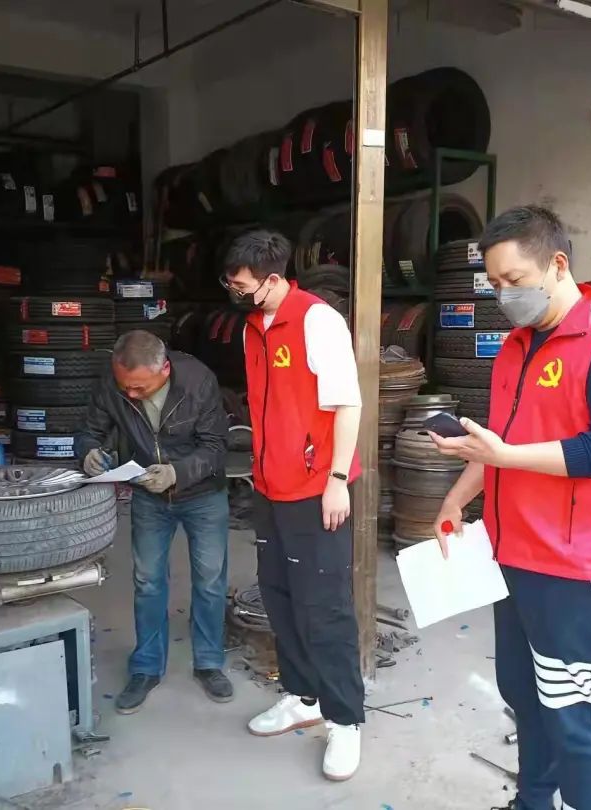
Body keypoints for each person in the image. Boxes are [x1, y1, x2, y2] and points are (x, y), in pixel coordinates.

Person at [429, 206, 591, 810]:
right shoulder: (515, 347)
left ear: (557, 264)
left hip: (573, 567)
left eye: (515, 280)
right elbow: (499, 442)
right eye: (495, 283)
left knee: (570, 711)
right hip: (511, 555)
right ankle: (532, 802)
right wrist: (456, 497)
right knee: (524, 696)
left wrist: (506, 455)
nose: (505, 295)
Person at [221, 230, 365, 782]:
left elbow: (347, 404)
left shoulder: (317, 321)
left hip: (316, 490)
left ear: (274, 280)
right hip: (270, 487)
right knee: (280, 598)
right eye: (231, 285)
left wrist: (337, 480)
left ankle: (345, 721)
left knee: (324, 607)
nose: (236, 294)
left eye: (242, 286)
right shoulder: (252, 328)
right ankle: (303, 698)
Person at [77, 330, 232, 713]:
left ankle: (209, 663)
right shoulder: (113, 383)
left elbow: (216, 447)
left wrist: (177, 472)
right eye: (125, 387)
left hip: (203, 495)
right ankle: (146, 667)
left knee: (210, 581)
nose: (131, 394)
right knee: (148, 582)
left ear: (164, 370)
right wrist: (89, 452)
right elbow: (90, 431)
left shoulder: (198, 380)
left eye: (139, 388)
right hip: (148, 494)